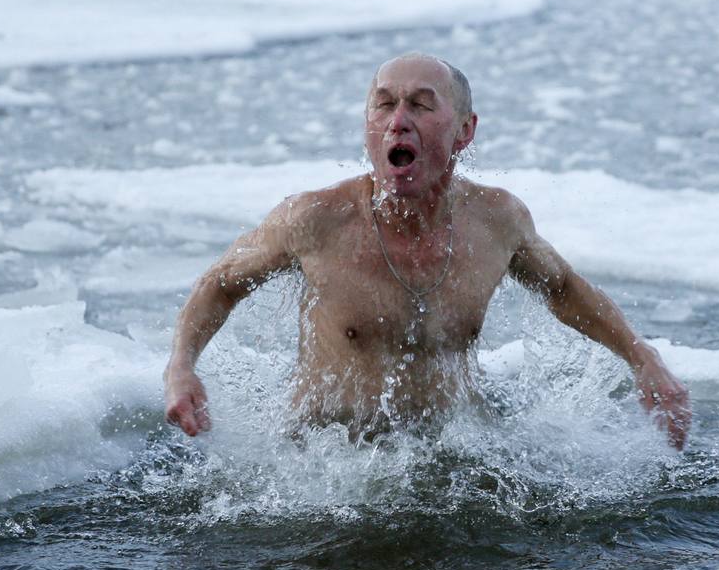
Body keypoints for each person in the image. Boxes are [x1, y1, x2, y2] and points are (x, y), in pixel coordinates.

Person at [163, 53, 691, 448]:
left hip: (444, 460)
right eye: (384, 104)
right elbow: (220, 284)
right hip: (321, 469)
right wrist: (181, 367)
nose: (398, 119)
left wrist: (641, 356)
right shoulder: (315, 220)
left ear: (464, 131)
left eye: (420, 104)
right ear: (369, 127)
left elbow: (564, 289)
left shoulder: (497, 221)